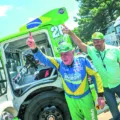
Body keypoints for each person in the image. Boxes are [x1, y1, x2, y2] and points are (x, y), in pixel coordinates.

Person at [26, 34, 105, 120]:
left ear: (72, 52)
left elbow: (95, 76)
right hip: (71, 100)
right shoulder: (59, 63)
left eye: (66, 53)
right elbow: (44, 59)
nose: (63, 57)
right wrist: (34, 48)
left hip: (85, 98)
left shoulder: (82, 61)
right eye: (61, 54)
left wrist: (100, 96)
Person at [62, 25, 120, 120]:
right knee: (114, 111)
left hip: (118, 83)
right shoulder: (92, 51)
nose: (96, 43)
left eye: (98, 41)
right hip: (105, 88)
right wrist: (70, 33)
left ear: (103, 40)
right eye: (94, 42)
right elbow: (80, 43)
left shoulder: (114, 50)